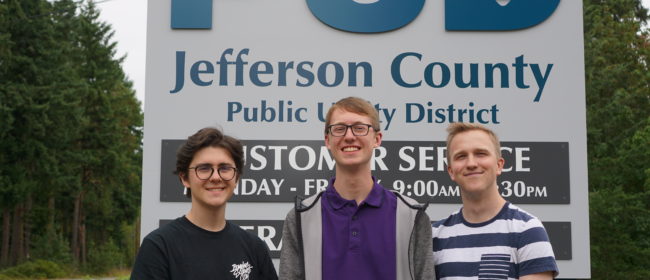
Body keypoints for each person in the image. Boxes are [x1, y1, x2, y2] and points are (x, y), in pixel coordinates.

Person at [279, 96, 435, 280]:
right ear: (328, 140)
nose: (349, 136)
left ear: (377, 139)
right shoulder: (301, 217)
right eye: (339, 129)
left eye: (360, 128)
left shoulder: (411, 215)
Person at [131, 127, 278, 280]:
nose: (215, 177)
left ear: (237, 177)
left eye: (225, 168)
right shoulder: (159, 247)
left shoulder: (254, 247)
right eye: (204, 168)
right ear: (184, 178)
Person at [432, 123, 558, 280]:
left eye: (481, 154)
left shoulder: (527, 230)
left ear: (499, 165)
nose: (471, 163)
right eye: (461, 156)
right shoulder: (435, 236)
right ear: (451, 171)